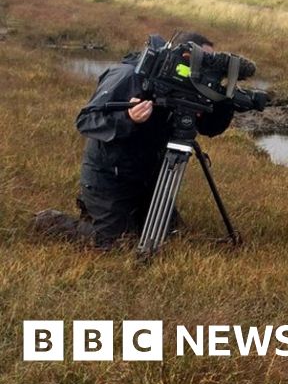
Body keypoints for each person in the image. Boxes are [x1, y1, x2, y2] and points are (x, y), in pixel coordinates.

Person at [34, 32, 234, 248]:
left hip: (149, 179)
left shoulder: (191, 90)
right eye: (204, 62)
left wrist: (224, 99)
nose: (207, 69)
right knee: (114, 244)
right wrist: (127, 118)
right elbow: (86, 120)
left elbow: (209, 128)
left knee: (172, 239)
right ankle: (50, 220)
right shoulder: (130, 75)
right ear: (182, 55)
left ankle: (120, 216)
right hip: (110, 178)